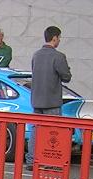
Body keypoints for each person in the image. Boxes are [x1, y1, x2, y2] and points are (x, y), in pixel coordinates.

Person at [26, 25, 71, 166]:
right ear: (54, 38)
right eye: (59, 38)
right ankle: (49, 162)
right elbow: (66, 77)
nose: (60, 40)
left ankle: (32, 160)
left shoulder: (36, 55)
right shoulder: (58, 56)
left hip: (37, 100)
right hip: (52, 101)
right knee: (53, 132)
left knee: (35, 131)